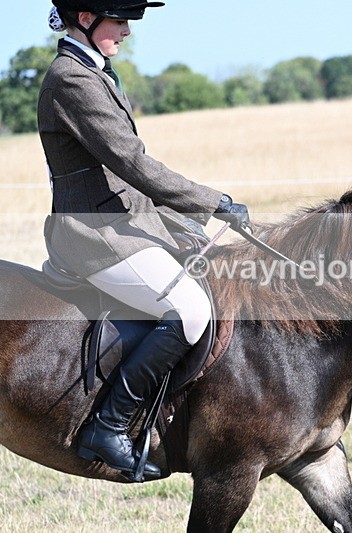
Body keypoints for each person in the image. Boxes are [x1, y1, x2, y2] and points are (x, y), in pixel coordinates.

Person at [39, 0, 250, 480]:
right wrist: (210, 200)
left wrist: (179, 223)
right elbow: (132, 163)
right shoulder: (72, 79)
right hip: (92, 233)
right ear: (86, 19)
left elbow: (127, 174)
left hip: (123, 222)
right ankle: (108, 427)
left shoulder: (95, 69)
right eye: (119, 20)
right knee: (189, 312)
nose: (128, 31)